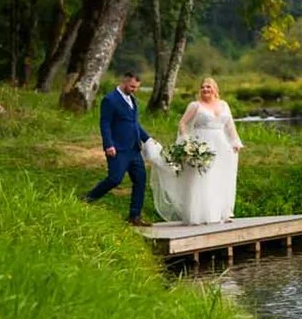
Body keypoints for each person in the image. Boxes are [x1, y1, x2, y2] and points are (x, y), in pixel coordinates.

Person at [150, 76, 243, 225]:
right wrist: (186, 141)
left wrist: (235, 141)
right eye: (203, 87)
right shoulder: (195, 106)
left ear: (215, 89)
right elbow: (182, 123)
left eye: (208, 87)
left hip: (221, 145)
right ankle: (201, 214)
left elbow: (230, 126)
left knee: (220, 177)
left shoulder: (224, 105)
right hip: (202, 143)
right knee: (203, 178)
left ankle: (221, 213)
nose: (205, 89)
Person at [84, 72, 155, 226]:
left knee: (140, 180)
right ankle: (87, 199)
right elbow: (105, 123)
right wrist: (108, 144)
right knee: (115, 179)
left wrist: (148, 139)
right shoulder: (110, 100)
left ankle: (135, 216)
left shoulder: (132, 100)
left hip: (134, 149)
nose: (134, 90)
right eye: (132, 86)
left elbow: (134, 123)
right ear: (124, 82)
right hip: (118, 148)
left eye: (137, 87)